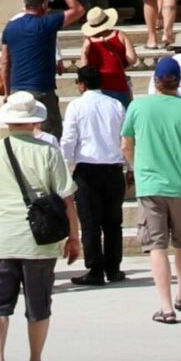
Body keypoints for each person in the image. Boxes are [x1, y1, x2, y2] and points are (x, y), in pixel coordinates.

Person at [0, 90, 79, 361]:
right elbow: (66, 198)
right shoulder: (47, 152)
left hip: (1, 238)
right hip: (39, 240)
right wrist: (74, 236)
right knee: (38, 303)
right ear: (34, 121)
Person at [123, 54, 181, 324]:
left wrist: (138, 168)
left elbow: (126, 145)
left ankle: (166, 307)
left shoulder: (138, 107)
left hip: (150, 185)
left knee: (157, 246)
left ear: (156, 80)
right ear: (179, 81)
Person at [60, 65, 129, 285]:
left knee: (90, 224)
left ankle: (95, 269)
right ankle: (113, 268)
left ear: (81, 84)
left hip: (88, 169)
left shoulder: (76, 106)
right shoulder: (116, 105)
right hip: (113, 167)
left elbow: (69, 139)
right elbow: (124, 137)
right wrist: (128, 165)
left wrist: (65, 164)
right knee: (112, 222)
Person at [0, 0, 83, 136]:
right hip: (41, 90)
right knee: (50, 135)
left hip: (17, 90)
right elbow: (78, 10)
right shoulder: (47, 22)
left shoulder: (10, 27)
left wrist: (8, 93)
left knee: (20, 134)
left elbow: (5, 62)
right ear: (43, 5)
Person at [80, 6, 136, 100]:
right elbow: (132, 59)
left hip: (99, 85)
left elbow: (84, 67)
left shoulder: (88, 42)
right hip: (119, 82)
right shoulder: (120, 35)